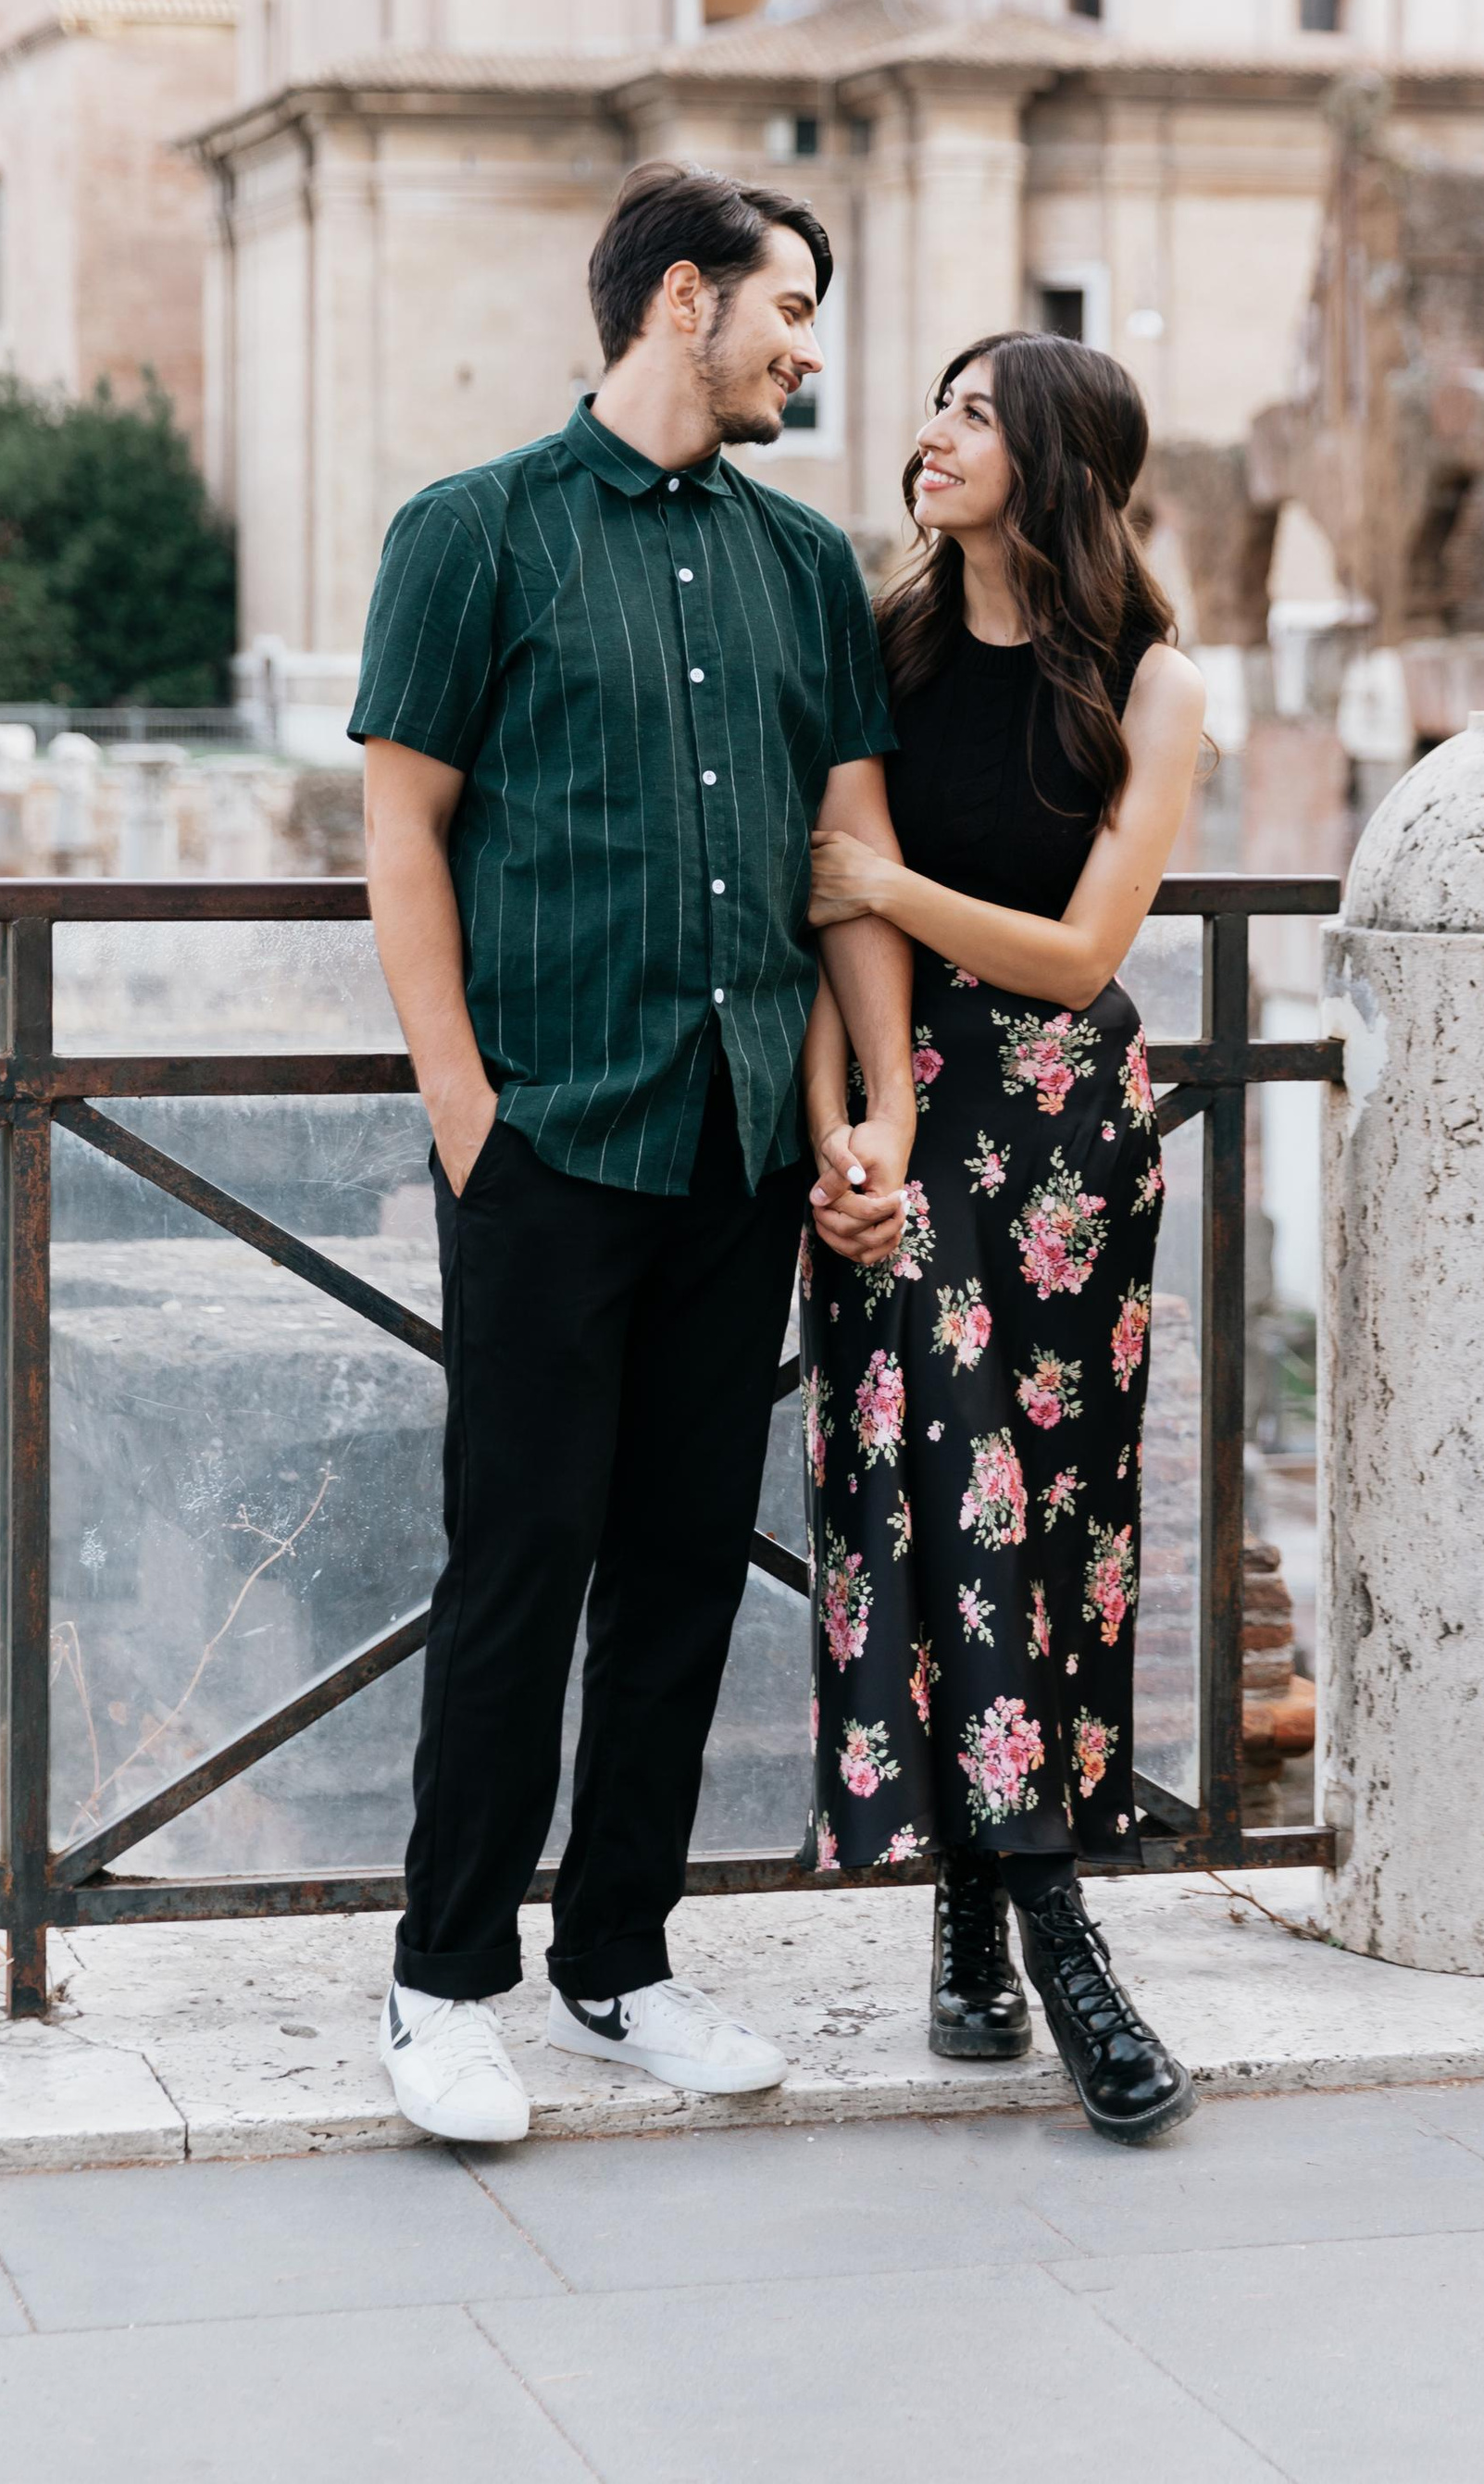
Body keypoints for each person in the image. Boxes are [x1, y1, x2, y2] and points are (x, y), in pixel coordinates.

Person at [355, 164, 914, 2145]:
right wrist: (464, 1112)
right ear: (685, 299)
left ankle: (617, 1959)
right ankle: (441, 1983)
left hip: (742, 1143)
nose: (808, 352)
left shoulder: (805, 562)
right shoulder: (471, 531)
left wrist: (870, 1112)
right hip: (549, 1139)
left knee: (682, 1566)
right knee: (521, 1558)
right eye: (790, 308)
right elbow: (402, 828)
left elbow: (848, 859)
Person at [803, 331, 1209, 2142]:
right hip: (915, 1129)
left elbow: (1082, 953)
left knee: (1048, 1523)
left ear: (1054, 461)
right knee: (943, 1503)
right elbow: (842, 929)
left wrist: (892, 882)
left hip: (1074, 1146)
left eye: (974, 414)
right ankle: (1062, 1944)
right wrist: (866, 1130)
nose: (931, 436)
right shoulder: (877, 652)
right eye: (937, 407)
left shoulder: (1153, 684)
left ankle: (974, 1904)